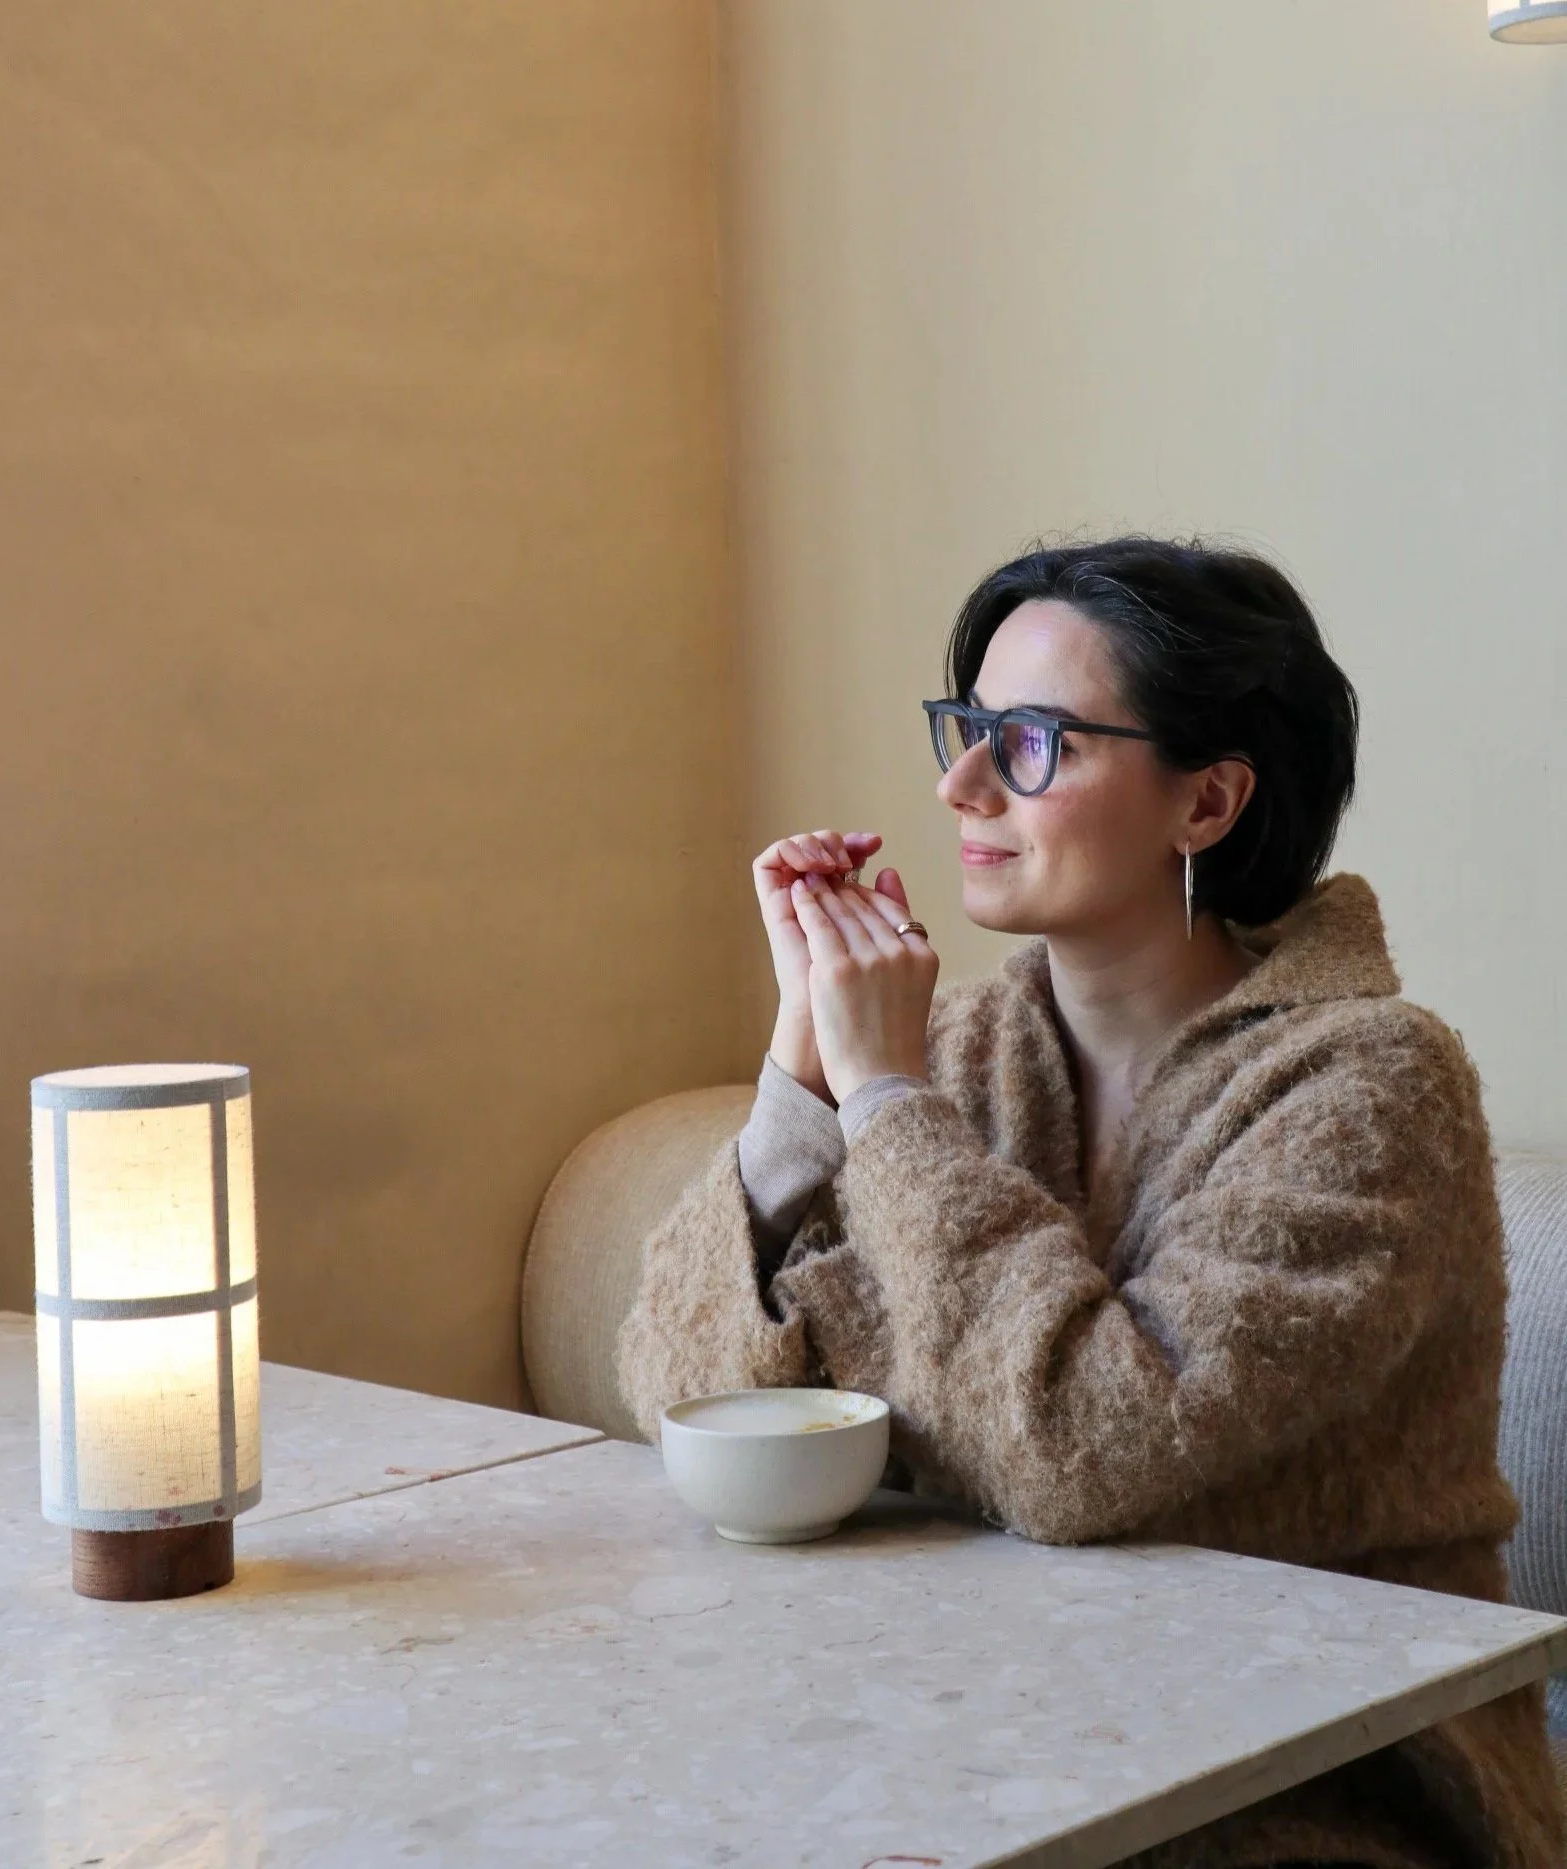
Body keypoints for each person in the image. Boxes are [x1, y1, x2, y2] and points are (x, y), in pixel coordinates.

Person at [616, 536, 1563, 1868]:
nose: (960, 783)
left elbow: (1079, 1450)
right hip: (978, 1724)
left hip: (1314, 1786)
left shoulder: (1373, 1088)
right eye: (967, 729)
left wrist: (884, 1112)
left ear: (1208, 804)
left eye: (1032, 741)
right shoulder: (954, 1057)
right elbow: (674, 1387)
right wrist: (803, 1072)